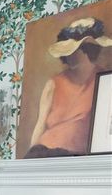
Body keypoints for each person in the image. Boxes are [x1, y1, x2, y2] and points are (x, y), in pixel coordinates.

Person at [26, 17, 112, 158]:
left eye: (73, 50)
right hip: (44, 154)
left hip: (78, 158)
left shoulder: (105, 80)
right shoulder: (54, 83)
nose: (67, 56)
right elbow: (40, 124)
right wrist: (27, 162)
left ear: (86, 50)